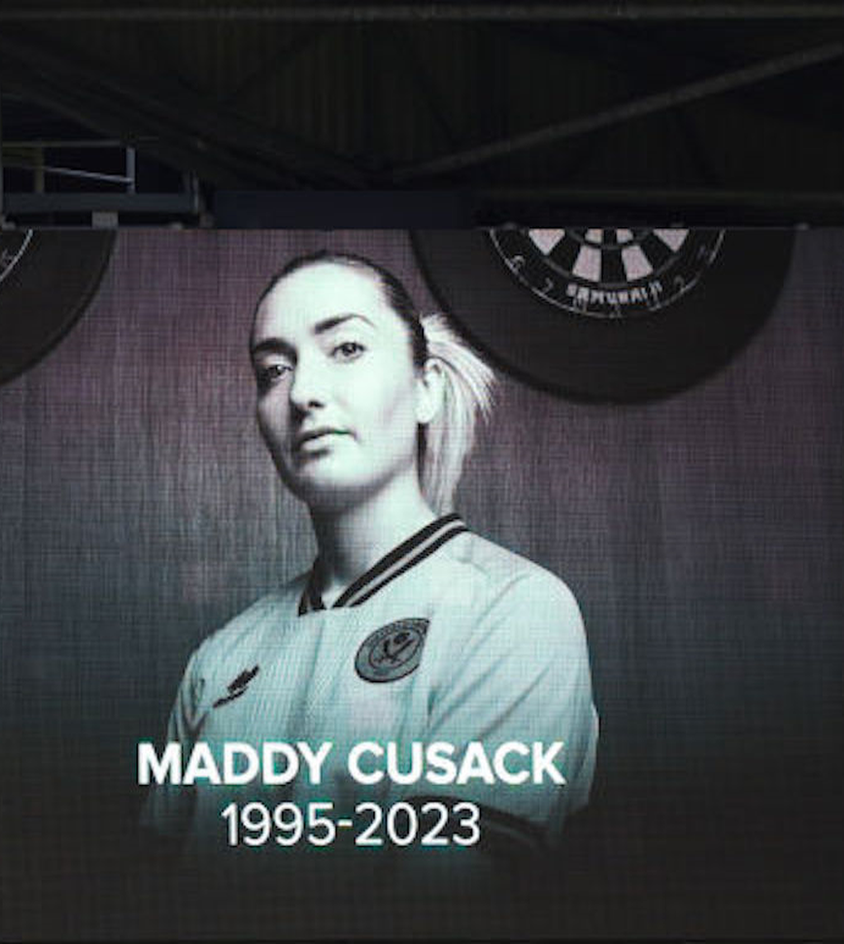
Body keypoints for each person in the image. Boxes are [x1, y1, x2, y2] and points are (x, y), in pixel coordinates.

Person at [149, 251, 598, 849]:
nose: (303, 392)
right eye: (274, 370)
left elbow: (441, 909)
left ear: (425, 389)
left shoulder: (516, 611)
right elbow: (156, 898)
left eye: (347, 349)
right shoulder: (218, 661)